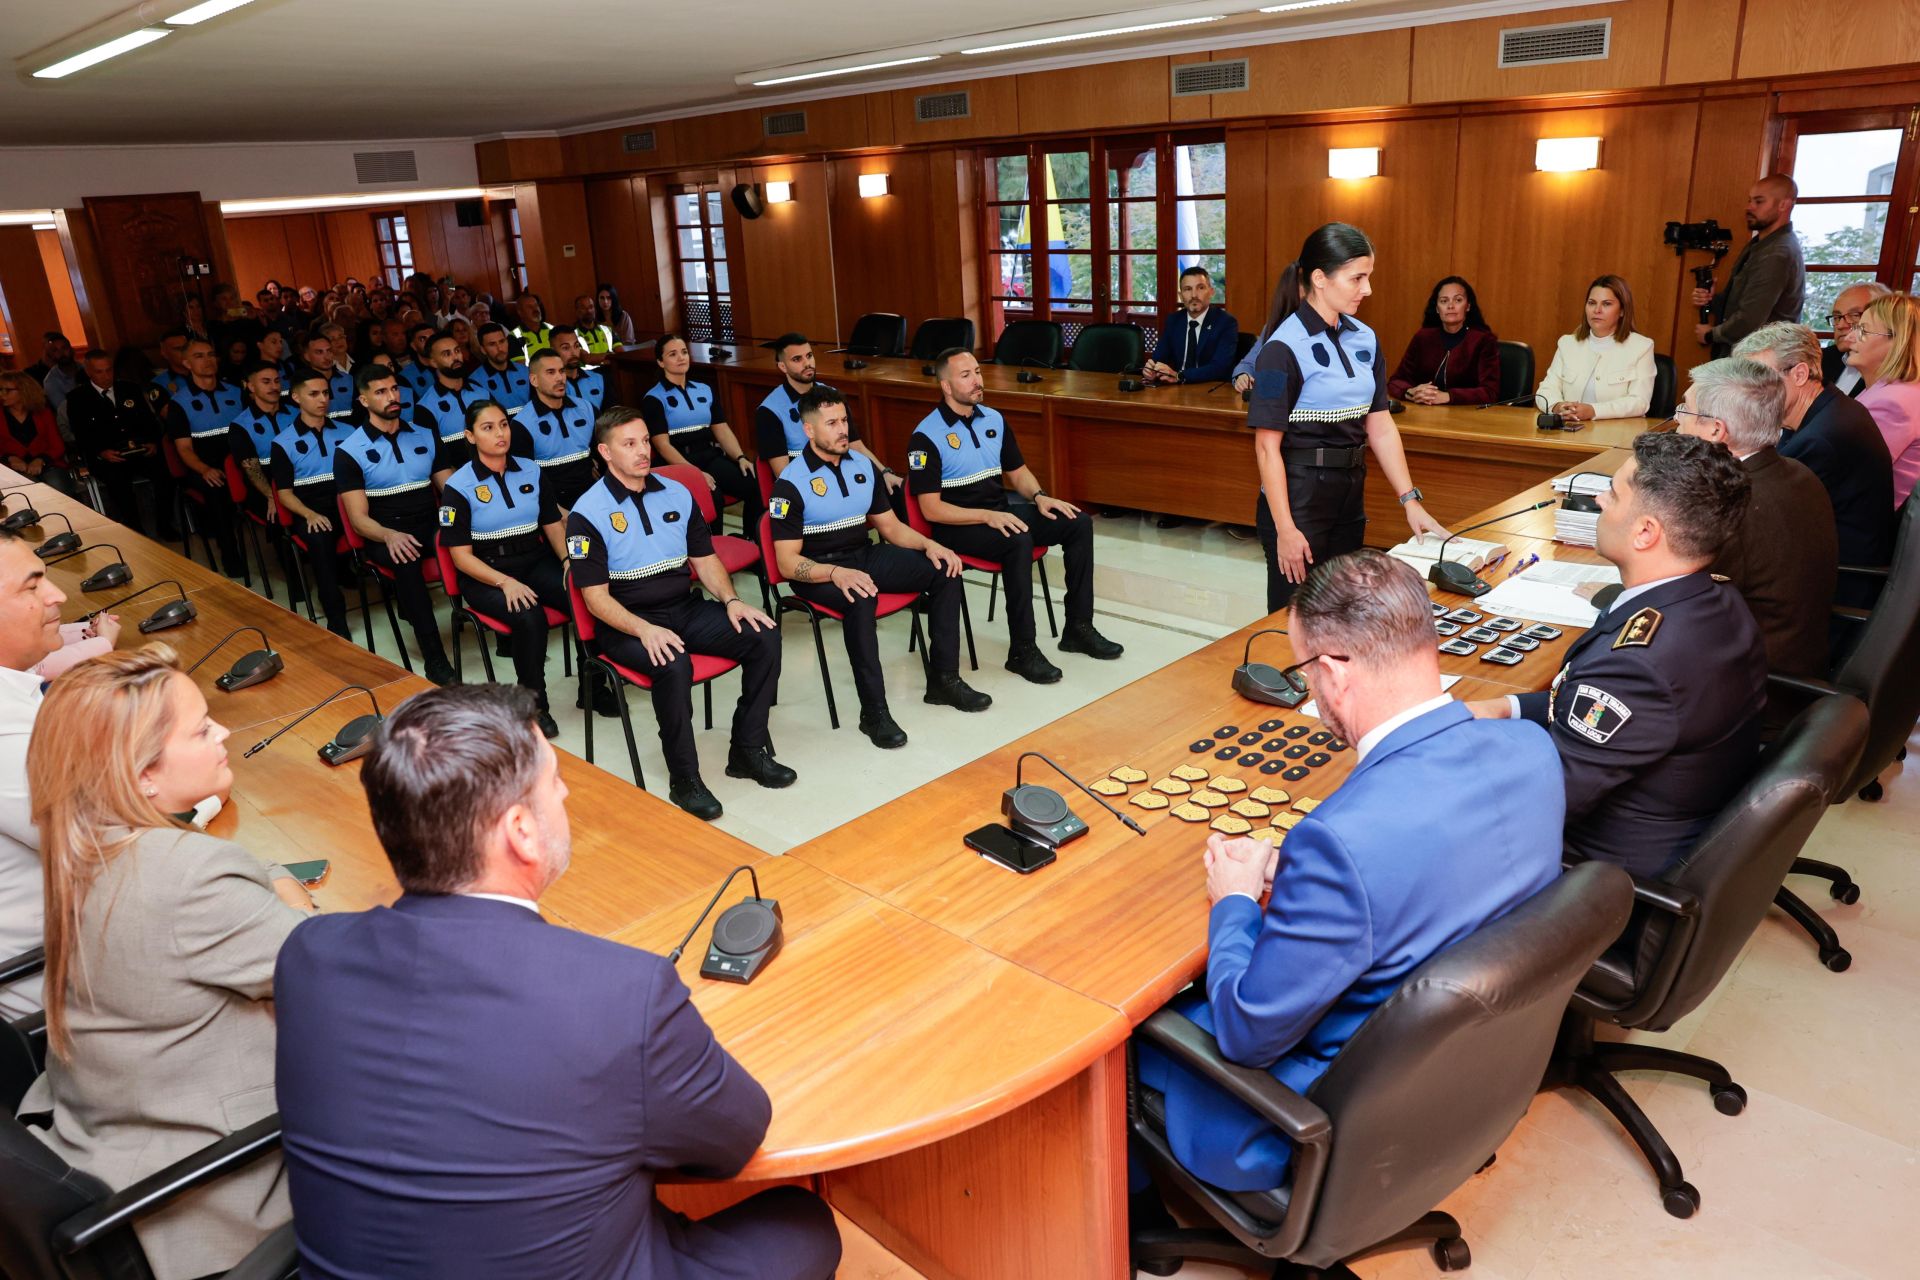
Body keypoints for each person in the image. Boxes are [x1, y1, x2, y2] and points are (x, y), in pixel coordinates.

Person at [273, 683, 840, 1280]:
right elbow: (737, 1136)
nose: (566, 792)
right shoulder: (622, 994)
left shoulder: (308, 954)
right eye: (553, 781)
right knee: (802, 1223)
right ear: (519, 830)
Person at [1131, 549, 1562, 1197]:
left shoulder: (1340, 840)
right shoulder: (1532, 748)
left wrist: (1236, 902)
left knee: (1128, 1033)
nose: (1307, 687)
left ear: (1333, 671)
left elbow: (1249, 1035)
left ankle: (1132, 1226)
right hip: (1470, 1073)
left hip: (1336, 1108)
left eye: (1303, 670)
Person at [21, 645, 313, 1280]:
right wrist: (290, 892)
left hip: (108, 1132)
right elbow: (331, 975)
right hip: (212, 1189)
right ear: (142, 773)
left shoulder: (85, 840)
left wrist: (268, 881)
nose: (224, 733)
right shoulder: (186, 877)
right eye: (203, 727)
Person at [1465, 432, 1766, 878]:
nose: (1600, 500)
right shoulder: (1712, 597)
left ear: (1646, 532)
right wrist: (1503, 706)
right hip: (1669, 818)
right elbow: (1580, 707)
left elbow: (1547, 800)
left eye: (1614, 492)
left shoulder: (1639, 663)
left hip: (1600, 873)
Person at [568, 406, 791, 817]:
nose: (642, 452)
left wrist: (733, 601)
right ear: (605, 452)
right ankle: (684, 776)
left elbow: (705, 560)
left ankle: (746, 749)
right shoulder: (587, 513)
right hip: (625, 621)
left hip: (683, 607)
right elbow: (595, 600)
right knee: (673, 664)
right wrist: (643, 630)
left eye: (645, 441)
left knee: (764, 636)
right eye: (628, 444)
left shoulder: (676, 494)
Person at [770, 386, 987, 749]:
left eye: (844, 420)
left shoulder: (861, 467)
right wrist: (836, 574)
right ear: (809, 431)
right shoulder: (789, 484)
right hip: (820, 569)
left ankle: (944, 680)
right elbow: (787, 563)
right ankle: (874, 712)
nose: (843, 430)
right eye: (832, 423)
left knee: (945, 569)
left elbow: (889, 528)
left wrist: (930, 544)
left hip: (863, 555)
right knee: (861, 597)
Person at [1247, 222, 1447, 614]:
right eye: (1357, 278)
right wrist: (1285, 528)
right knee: (1296, 615)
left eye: (1368, 277)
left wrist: (1410, 500)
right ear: (1320, 279)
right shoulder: (1281, 348)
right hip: (1299, 495)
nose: (1367, 289)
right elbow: (1266, 447)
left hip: (1349, 491)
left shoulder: (1365, 338)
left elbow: (1380, 424)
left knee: (1341, 610)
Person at [910, 348, 1123, 683]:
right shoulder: (925, 436)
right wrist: (985, 516)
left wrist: (1039, 497)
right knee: (1017, 540)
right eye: (966, 375)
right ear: (946, 386)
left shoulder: (993, 419)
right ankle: (1022, 649)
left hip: (998, 513)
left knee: (1077, 523)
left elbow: (1018, 471)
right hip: (956, 525)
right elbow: (930, 508)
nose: (977, 380)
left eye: (977, 372)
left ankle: (1078, 628)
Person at [1674, 358, 1836, 696]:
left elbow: (1681, 609)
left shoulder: (1731, 505)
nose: (1677, 424)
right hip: (1797, 662)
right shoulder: (1798, 472)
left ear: (1716, 430)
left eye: (1684, 412)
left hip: (1748, 690)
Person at [1734, 323, 1895, 602]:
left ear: (1799, 374)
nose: (1748, 392)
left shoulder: (1822, 439)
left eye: (1759, 379)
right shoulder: (1830, 408)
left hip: (1835, 585)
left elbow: (1760, 518)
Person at [440, 402, 569, 738]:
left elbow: (553, 524)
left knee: (582, 593)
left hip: (535, 559)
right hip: (487, 571)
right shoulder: (458, 486)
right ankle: (533, 704)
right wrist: (505, 582)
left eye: (503, 425)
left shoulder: (531, 469)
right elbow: (460, 558)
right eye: (488, 428)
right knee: (530, 615)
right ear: (470, 436)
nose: (500, 434)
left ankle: (596, 685)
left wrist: (568, 562)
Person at [334, 363, 457, 683]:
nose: (391, 397)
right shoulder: (350, 450)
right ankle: (435, 656)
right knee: (406, 556)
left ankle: (501, 631)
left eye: (394, 389)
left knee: (470, 540)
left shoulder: (425, 435)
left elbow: (452, 490)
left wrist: (460, 523)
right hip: (385, 530)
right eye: (380, 392)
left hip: (430, 522)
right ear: (363, 401)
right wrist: (389, 535)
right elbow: (359, 520)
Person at [0, 529, 66, 1020]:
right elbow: (118, 845)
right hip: (53, 998)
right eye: (32, 586)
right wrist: (203, 796)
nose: (58, 595)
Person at [752, 333, 904, 497]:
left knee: (894, 492)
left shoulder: (833, 396)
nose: (807, 363)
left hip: (844, 473)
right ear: (783, 367)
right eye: (797, 359)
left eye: (809, 356)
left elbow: (855, 445)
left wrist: (884, 472)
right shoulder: (769, 411)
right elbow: (783, 473)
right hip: (808, 487)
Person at [640, 333, 760, 538]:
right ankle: (714, 551)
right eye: (673, 354)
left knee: (753, 484)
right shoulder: (653, 398)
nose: (681, 358)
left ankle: (750, 540)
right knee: (713, 496)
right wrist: (694, 474)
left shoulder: (705, 390)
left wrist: (740, 457)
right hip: (678, 463)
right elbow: (662, 446)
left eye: (684, 352)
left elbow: (721, 428)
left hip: (709, 456)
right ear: (660, 362)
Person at [270, 369, 357, 638]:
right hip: (311, 507)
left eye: (326, 393)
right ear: (296, 397)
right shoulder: (283, 442)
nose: (323, 399)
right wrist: (309, 514)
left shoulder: (349, 431)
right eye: (314, 394)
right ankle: (336, 617)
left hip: (348, 501)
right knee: (319, 538)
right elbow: (283, 493)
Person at [160, 336, 247, 577]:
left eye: (210, 354)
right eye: (199, 356)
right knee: (215, 487)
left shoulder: (236, 391)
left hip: (239, 462)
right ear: (187, 363)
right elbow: (184, 449)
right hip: (206, 466)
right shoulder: (180, 402)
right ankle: (229, 553)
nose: (207, 361)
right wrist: (203, 469)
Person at [63, 348, 173, 536]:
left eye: (109, 370)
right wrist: (101, 451)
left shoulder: (129, 389)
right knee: (118, 482)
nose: (106, 375)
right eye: (99, 371)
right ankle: (136, 530)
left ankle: (165, 526)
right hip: (107, 456)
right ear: (89, 372)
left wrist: (152, 442)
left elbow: (149, 421)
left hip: (139, 450)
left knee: (165, 473)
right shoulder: (77, 398)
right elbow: (81, 434)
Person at [1693, 175, 1806, 356]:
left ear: (1783, 205)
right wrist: (1712, 300)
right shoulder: (1762, 244)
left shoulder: (1778, 252)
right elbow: (1745, 302)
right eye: (1750, 200)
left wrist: (1710, 334)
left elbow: (1750, 319)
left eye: (1759, 202)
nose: (1749, 207)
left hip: (1762, 362)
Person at [1536, 274, 1658, 422]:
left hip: (1617, 434)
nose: (1597, 310)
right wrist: (1557, 406)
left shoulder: (1641, 347)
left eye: (1606, 304)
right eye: (1592, 303)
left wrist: (1594, 411)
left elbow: (1639, 402)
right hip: (1568, 430)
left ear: (1622, 311)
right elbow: (1546, 389)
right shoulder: (1567, 343)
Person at [1849, 292, 1920, 507]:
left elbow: (1849, 478)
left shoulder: (1893, 403)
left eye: (1862, 330)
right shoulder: (1893, 390)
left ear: (1898, 341)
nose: (1850, 336)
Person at [1385, 275, 1501, 405]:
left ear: (1468, 306)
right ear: (1437, 309)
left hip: (1468, 417)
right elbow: (1395, 381)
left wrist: (1448, 396)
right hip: (1424, 415)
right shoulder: (1423, 338)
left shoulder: (1483, 341)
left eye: (1458, 300)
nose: (1450, 306)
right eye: (1444, 301)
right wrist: (1411, 392)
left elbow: (1490, 392)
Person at [509, 349, 597, 508]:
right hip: (554, 507)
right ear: (534, 380)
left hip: (594, 498)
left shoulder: (587, 408)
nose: (559, 378)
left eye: (562, 371)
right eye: (550, 372)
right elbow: (524, 479)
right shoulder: (521, 424)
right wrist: (554, 513)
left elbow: (604, 452)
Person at [1143, 266, 1240, 385]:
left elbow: (1220, 367)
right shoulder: (1174, 321)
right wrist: (1151, 369)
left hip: (1211, 390)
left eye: (1200, 288)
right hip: (1176, 390)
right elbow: (1159, 357)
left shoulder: (1225, 322)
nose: (1194, 295)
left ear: (1211, 292)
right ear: (1180, 295)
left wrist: (1180, 376)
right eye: (1188, 289)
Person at [226, 359, 297, 515]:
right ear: (251, 386)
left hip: (302, 482)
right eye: (266, 382)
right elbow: (252, 469)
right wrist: (273, 496)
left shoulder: (297, 413)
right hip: (267, 488)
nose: (274, 387)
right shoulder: (240, 426)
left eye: (277, 381)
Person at [0, 371, 77, 496]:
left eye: (7, 390)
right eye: (0, 389)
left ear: (24, 390)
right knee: (27, 491)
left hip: (48, 464)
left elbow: (58, 446)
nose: (2, 394)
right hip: (12, 469)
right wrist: (10, 458)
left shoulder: (43, 413)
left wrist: (41, 459)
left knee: (57, 486)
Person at [1820, 281, 1891, 396]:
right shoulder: (1819, 359)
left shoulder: (1896, 373)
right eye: (1837, 317)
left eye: (1855, 315)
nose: (1841, 325)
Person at [467, 321, 534, 411]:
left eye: (502, 341)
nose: (499, 348)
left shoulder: (526, 372)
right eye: (492, 344)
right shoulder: (475, 381)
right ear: (483, 349)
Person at [297, 328, 355, 417]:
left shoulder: (349, 379)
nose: (327, 357)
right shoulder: (301, 385)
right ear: (307, 356)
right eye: (319, 352)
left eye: (329, 351)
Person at [551, 325, 607, 411]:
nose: (573, 353)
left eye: (576, 346)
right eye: (566, 348)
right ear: (553, 351)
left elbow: (613, 414)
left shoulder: (598, 378)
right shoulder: (549, 386)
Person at [23, 332, 81, 412]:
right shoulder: (50, 380)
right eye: (55, 350)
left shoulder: (85, 368)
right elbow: (65, 410)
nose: (61, 353)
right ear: (49, 354)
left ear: (71, 349)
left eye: (64, 348)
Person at [572, 293, 617, 362]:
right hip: (589, 372)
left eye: (591, 307)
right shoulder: (572, 334)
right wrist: (610, 356)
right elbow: (586, 358)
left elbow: (621, 352)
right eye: (584, 308)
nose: (589, 311)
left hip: (612, 368)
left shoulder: (607, 330)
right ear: (577, 311)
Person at [510, 293, 554, 362]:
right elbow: (520, 367)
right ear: (520, 312)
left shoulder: (552, 329)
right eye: (529, 307)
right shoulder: (514, 337)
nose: (535, 309)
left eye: (536, 305)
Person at [152, 327, 192, 399]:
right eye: (178, 349)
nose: (184, 352)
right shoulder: (159, 383)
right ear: (164, 353)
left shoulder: (203, 373)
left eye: (186, 348)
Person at [597, 282, 638, 348]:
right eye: (602, 298)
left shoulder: (623, 316)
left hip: (624, 352)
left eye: (609, 298)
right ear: (597, 299)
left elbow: (629, 342)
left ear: (614, 299)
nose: (605, 301)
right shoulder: (595, 319)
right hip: (604, 354)